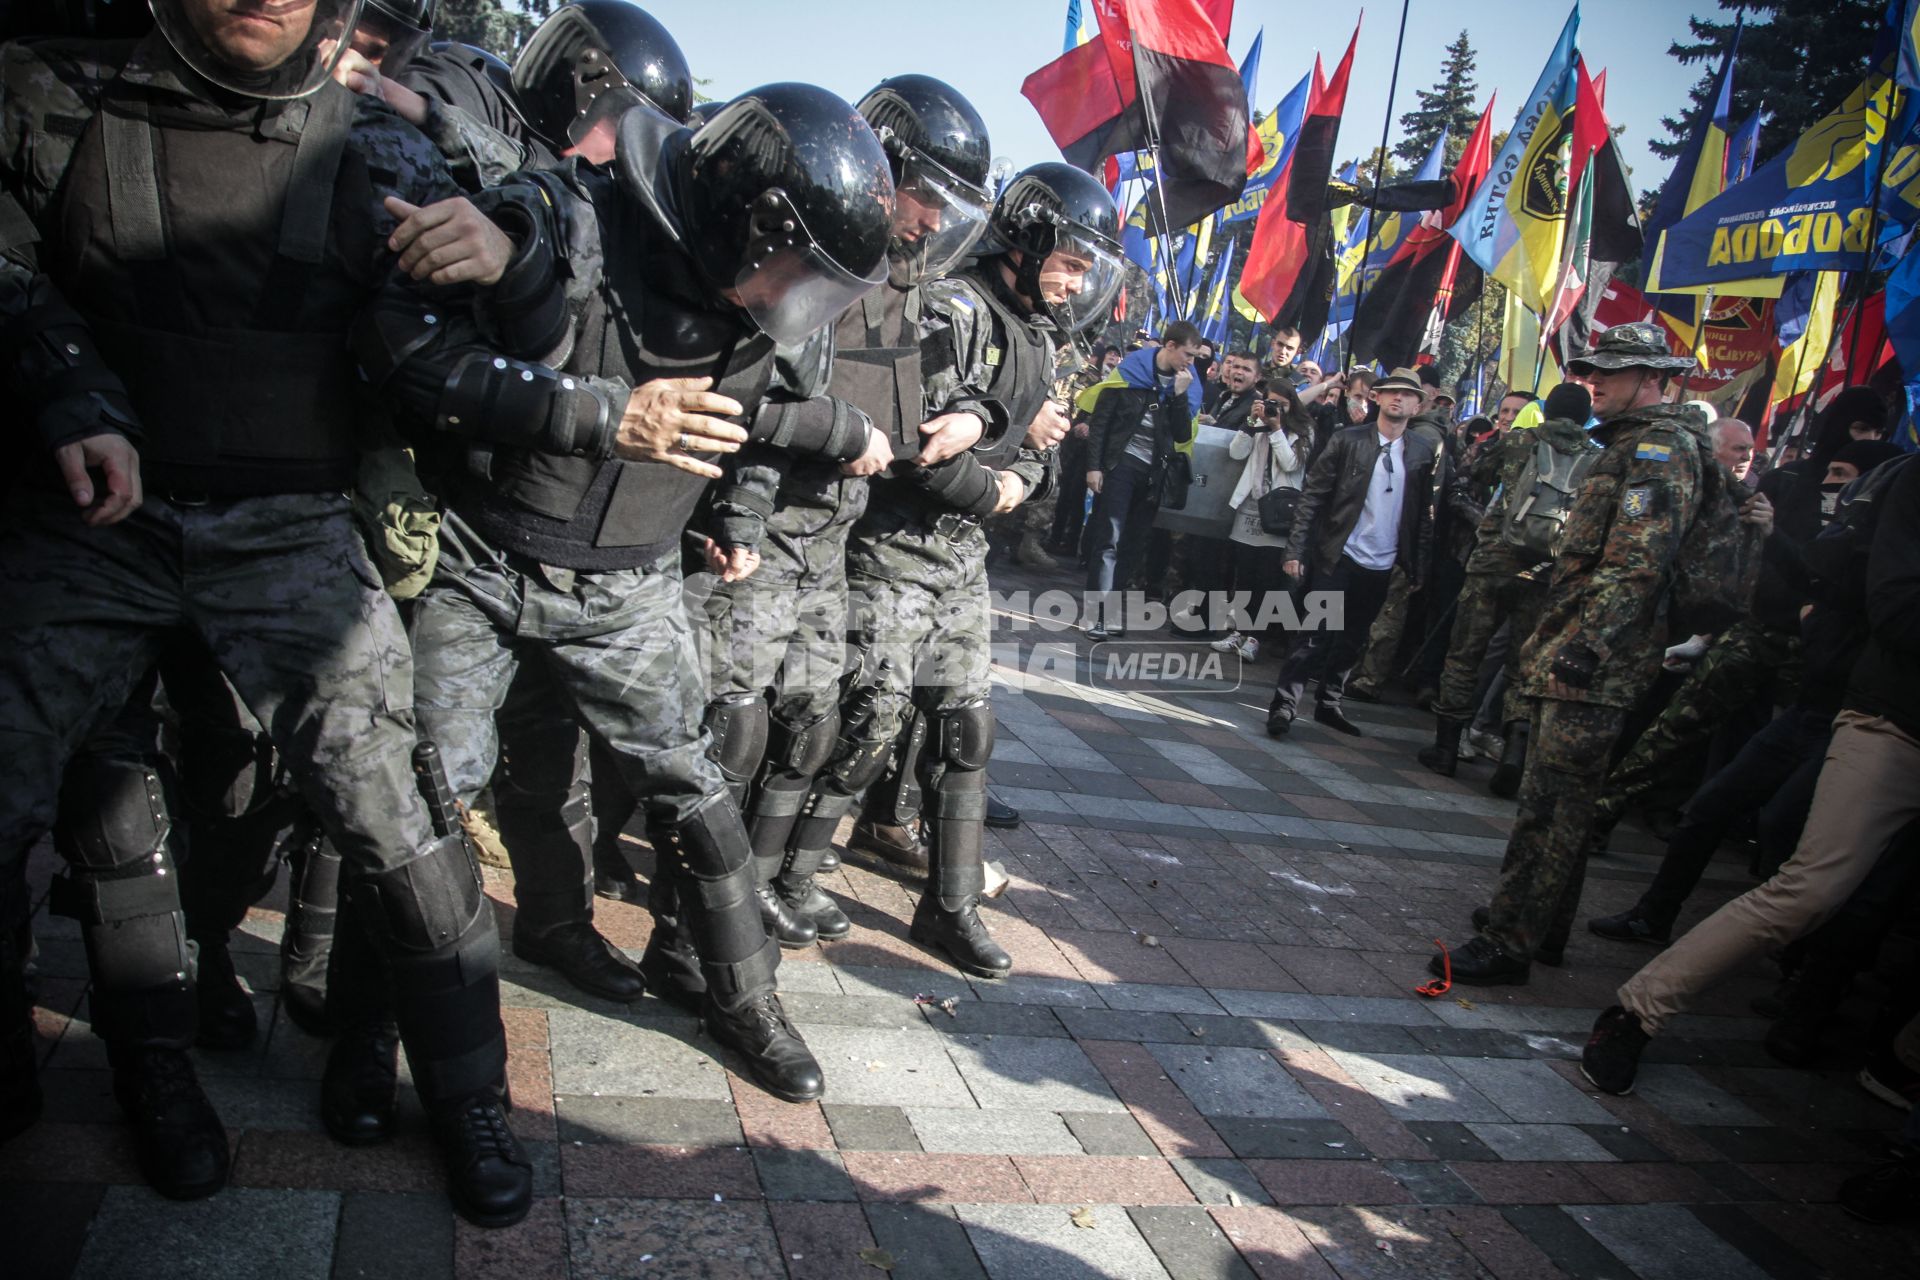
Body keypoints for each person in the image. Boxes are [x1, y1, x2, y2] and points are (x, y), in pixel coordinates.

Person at [0, 0, 568, 1222]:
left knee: (395, 812)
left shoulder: (376, 144)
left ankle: (469, 1090)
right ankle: (148, 1062)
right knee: (63, 787)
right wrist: (66, 389)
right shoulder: (52, 93)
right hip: (99, 509)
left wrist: (511, 244)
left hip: (291, 524)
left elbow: (550, 233)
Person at [373, 85, 901, 1108]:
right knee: (418, 800)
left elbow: (760, 412)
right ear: (748, 218)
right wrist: (505, 261)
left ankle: (742, 993)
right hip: (482, 556)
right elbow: (415, 354)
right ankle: (369, 1027)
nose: (791, 298)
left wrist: (834, 441)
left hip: (629, 579)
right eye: (790, 270)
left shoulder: (762, 300)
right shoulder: (561, 216)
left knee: (693, 785)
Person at [790, 162, 1121, 979]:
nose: (1076, 283)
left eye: (1087, 270)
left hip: (962, 559)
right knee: (870, 720)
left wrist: (1014, 480)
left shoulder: (1041, 334)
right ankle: (788, 874)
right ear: (1029, 236)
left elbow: (1042, 449)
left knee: (965, 730)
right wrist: (999, 488)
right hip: (893, 549)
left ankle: (951, 906)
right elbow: (914, 447)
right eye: (1070, 261)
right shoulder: (953, 304)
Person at [720, 74, 995, 945]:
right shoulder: (814, 260)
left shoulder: (907, 293)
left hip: (834, 539)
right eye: (923, 199)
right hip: (758, 529)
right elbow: (738, 399)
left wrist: (980, 419)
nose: (926, 223)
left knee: (816, 721)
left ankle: (768, 881)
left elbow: (939, 399)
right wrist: (835, 433)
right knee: (731, 727)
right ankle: (694, 893)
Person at [1582, 452, 1920, 1094]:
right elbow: (1888, 603)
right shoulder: (1909, 482)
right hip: (1893, 721)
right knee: (1809, 886)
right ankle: (1639, 1009)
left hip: (1822, 693)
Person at [1432, 324, 1732, 986]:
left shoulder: (1657, 449)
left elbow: (1637, 561)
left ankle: (1510, 940)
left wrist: (1589, 644)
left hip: (1594, 657)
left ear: (1652, 380)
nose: (1593, 382)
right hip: (1584, 646)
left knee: (1551, 804)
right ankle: (1544, 924)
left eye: (1610, 373)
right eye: (1591, 370)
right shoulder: (1632, 444)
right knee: (1564, 801)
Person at [1416, 383, 1597, 783]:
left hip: (1494, 563)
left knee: (1465, 654)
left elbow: (1473, 473)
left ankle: (1446, 748)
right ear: (1585, 416)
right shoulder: (1596, 456)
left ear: (1546, 412)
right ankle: (1513, 753)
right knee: (1523, 664)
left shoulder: (1519, 441)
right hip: (1547, 571)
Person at [1265, 367, 1436, 737]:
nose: (1397, 399)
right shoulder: (1348, 439)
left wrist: (1417, 566)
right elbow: (1312, 496)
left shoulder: (1422, 451)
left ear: (1418, 405)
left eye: (1407, 395)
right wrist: (1296, 549)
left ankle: (1329, 703)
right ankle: (1284, 705)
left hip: (1383, 562)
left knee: (1353, 637)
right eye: (1390, 391)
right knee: (1313, 635)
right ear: (1376, 397)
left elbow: (1422, 514)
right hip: (1338, 554)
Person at [1083, 321, 1205, 639]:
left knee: (1133, 544)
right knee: (1109, 537)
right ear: (1169, 346)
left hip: (1155, 473)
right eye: (1188, 355)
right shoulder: (1131, 370)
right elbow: (1102, 421)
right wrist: (1094, 466)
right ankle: (1098, 614)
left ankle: (1111, 612)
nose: (1190, 362)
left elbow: (1181, 434)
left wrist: (1179, 397)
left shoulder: (1189, 385)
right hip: (1120, 462)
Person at [1211, 378, 1311, 661]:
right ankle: (1237, 632)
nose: (1273, 408)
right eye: (1269, 402)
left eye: (1280, 404)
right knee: (1245, 576)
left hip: (1279, 514)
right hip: (1249, 507)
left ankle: (1256, 637)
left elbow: (1291, 465)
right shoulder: (1258, 427)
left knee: (1268, 579)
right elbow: (1236, 452)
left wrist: (1277, 428)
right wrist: (1251, 422)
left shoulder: (1302, 432)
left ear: (1291, 406)